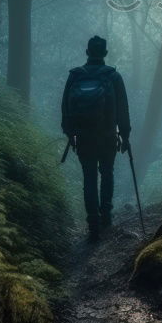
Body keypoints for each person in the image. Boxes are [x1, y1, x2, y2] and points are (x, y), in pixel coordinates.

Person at [61, 35, 130, 240]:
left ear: (87, 52)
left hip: (83, 137)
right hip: (108, 136)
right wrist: (125, 136)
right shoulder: (113, 77)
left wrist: (69, 132)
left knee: (89, 177)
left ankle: (93, 222)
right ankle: (106, 217)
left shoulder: (75, 76)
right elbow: (123, 109)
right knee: (107, 173)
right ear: (105, 54)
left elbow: (65, 106)